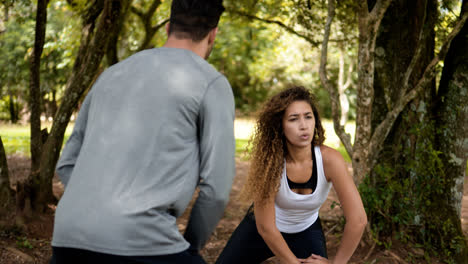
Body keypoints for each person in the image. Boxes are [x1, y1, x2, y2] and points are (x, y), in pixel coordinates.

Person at [50, 0, 235, 263]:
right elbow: (217, 188)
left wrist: (96, 206)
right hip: (143, 242)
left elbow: (67, 162)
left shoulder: (111, 74)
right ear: (213, 34)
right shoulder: (211, 82)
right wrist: (192, 246)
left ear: (169, 27)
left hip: (68, 236)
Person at [216, 86, 367, 264]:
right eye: (294, 119)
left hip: (306, 230)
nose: (303, 126)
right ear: (280, 125)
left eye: (308, 117)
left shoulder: (329, 160)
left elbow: (358, 220)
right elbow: (266, 227)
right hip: (262, 231)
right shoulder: (271, 163)